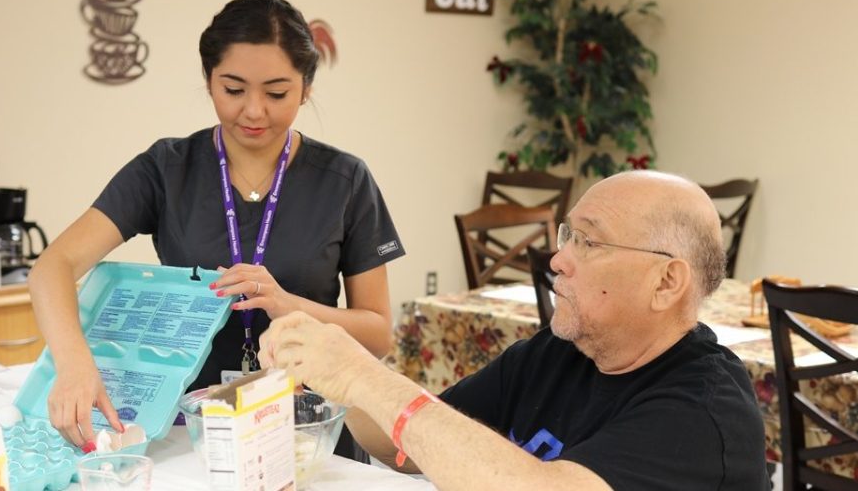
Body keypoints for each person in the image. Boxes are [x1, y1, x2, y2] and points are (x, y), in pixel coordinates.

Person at [28, 0, 405, 455]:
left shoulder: (345, 180)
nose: (253, 111)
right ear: (209, 80)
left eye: (277, 92)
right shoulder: (166, 169)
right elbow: (54, 265)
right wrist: (74, 364)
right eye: (233, 89)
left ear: (305, 88)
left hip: (307, 431)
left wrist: (288, 305)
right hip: (194, 434)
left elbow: (378, 333)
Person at [261, 171, 770, 490]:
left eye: (589, 243)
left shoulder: (703, 409)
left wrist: (362, 377)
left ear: (666, 282)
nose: (558, 258)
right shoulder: (560, 351)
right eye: (568, 235)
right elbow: (414, 447)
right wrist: (328, 377)